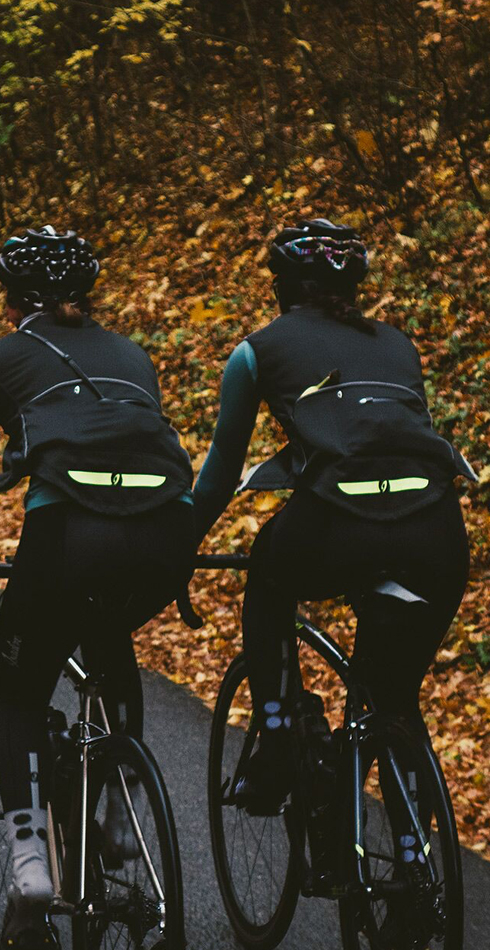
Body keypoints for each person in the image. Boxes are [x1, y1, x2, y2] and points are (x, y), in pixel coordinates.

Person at [0, 225, 195, 950]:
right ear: (86, 295)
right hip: (163, 540)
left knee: (23, 685)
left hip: (67, 537)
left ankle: (31, 867)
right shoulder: (132, 355)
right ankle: (123, 816)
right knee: (108, 638)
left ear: (9, 298)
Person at [190, 218, 475, 821]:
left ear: (283, 288)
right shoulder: (398, 344)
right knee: (391, 697)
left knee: (267, 579)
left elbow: (218, 475)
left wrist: (178, 543)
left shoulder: (258, 350)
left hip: (337, 522)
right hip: (437, 529)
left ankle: (274, 739)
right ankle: (407, 870)